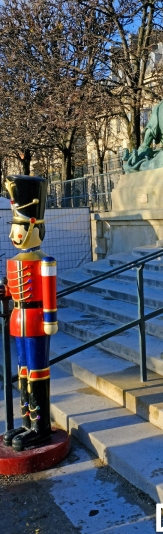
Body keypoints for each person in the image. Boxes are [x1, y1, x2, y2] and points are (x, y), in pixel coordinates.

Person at [2, 175, 58, 451]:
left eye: (18, 228)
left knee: (37, 371)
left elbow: (48, 292)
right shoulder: (12, 261)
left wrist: (50, 319)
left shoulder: (45, 261)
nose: (13, 234)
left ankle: (41, 427)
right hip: (18, 320)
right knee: (22, 371)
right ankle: (27, 423)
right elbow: (12, 290)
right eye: (12, 227)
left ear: (33, 226)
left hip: (36, 321)